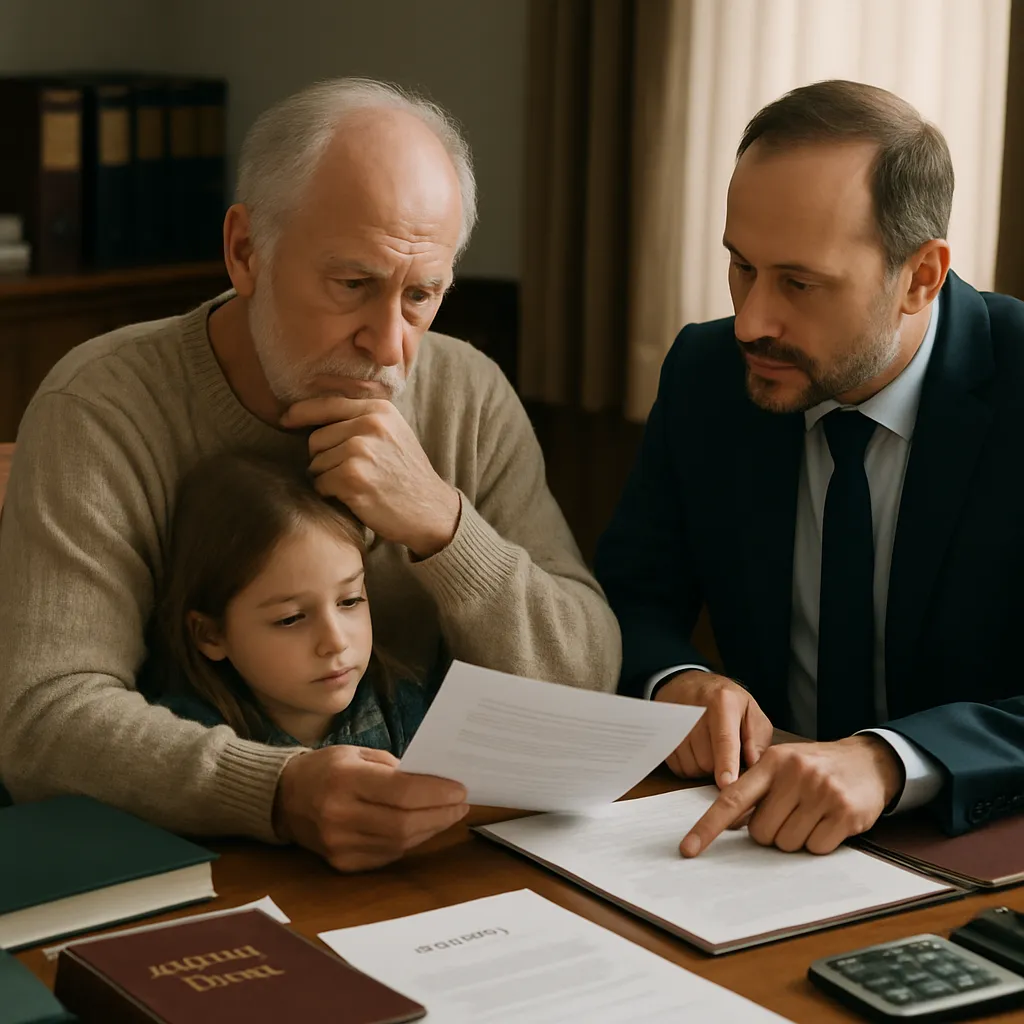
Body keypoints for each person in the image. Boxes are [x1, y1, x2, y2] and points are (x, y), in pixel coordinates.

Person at [0, 78, 621, 873]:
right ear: (246, 251)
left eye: (422, 295)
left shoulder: (466, 393)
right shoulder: (102, 405)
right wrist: (278, 792)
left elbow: (586, 682)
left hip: (439, 869)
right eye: (353, 285)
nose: (390, 344)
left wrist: (443, 526)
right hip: (184, 881)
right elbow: (43, 723)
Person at [595, 80, 1024, 859]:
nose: (752, 321)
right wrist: (676, 680)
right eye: (741, 267)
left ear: (921, 276)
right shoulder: (704, 374)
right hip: (752, 840)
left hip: (976, 851)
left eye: (798, 283)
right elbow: (625, 597)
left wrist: (891, 761)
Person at [147, 452, 433, 759]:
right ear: (211, 635)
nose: (336, 642)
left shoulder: (404, 708)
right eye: (291, 619)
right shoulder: (184, 739)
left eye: (350, 600)